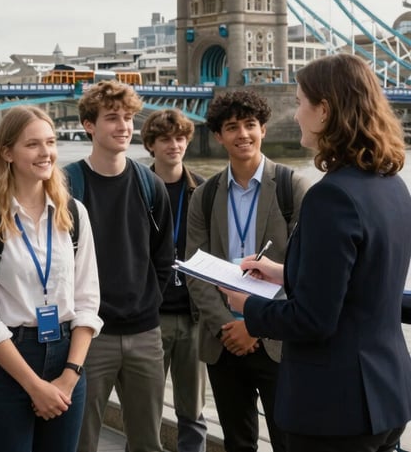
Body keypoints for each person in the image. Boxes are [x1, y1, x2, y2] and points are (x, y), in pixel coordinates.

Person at [222, 54, 411, 452]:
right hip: (387, 394)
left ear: (324, 110)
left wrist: (248, 306)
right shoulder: (391, 185)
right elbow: (364, 283)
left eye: (300, 102)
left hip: (334, 407)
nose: (295, 114)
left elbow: (314, 320)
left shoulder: (332, 196)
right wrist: (284, 272)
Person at [0, 106, 102, 452]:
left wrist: (69, 376)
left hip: (68, 355)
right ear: (7, 152)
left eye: (50, 142)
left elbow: (87, 301)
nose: (46, 152)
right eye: (33, 144)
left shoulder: (74, 214)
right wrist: (34, 385)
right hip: (8, 362)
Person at [185, 89, 309, 452]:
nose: (243, 134)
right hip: (223, 340)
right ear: (219, 136)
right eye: (232, 127)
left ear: (264, 130)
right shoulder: (204, 196)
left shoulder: (292, 187)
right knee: (237, 443)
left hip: (277, 340)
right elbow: (195, 271)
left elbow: (304, 270)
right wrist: (228, 324)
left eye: (251, 125)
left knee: (289, 441)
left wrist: (256, 324)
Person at [67, 80, 174, 452]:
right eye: (112, 118)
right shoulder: (67, 185)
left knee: (148, 442)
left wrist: (149, 301)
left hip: (145, 332)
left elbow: (163, 255)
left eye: (128, 118)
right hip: (89, 335)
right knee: (81, 440)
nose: (124, 126)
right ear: (89, 126)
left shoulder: (150, 184)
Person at [141, 109, 207, 452]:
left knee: (193, 411)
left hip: (194, 316)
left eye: (180, 138)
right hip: (151, 317)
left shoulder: (204, 191)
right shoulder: (137, 189)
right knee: (145, 410)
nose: (174, 145)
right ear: (151, 144)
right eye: (165, 139)